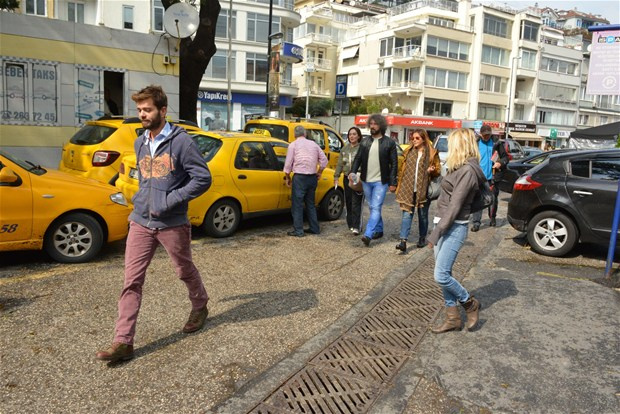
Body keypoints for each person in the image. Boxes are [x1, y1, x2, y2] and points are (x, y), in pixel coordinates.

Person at [96, 85, 212, 363]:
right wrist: (141, 198)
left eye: (147, 110)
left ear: (162, 110)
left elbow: (203, 178)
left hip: (171, 223)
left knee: (184, 269)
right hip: (140, 221)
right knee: (131, 281)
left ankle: (200, 304)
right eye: (139, 110)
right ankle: (123, 341)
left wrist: (170, 200)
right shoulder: (140, 142)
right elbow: (147, 178)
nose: (142, 115)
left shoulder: (182, 143)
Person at [427, 128, 483, 333]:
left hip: (454, 227)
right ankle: (453, 318)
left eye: (451, 144)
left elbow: (454, 207)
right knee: (445, 273)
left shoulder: (468, 171)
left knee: (441, 275)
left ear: (460, 145)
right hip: (442, 223)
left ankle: (469, 303)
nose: (448, 147)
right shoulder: (457, 167)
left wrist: (435, 233)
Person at [350, 114, 398, 247]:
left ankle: (368, 234)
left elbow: (394, 164)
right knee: (373, 207)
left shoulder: (389, 143)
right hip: (366, 181)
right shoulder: (365, 142)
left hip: (381, 182)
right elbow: (358, 158)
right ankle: (379, 229)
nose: (372, 126)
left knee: (376, 207)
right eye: (370, 124)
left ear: (381, 125)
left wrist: (393, 182)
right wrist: (352, 172)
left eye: (375, 124)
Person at [394, 128, 440, 252]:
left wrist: (433, 170)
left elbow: (438, 170)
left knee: (423, 215)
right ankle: (403, 241)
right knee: (406, 214)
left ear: (424, 138)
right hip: (408, 188)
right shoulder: (408, 151)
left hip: (423, 189)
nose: (414, 140)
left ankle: (422, 237)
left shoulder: (431, 153)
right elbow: (401, 169)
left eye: (417, 138)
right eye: (413, 138)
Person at [283, 125, 328, 237]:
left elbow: (288, 164)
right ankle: (314, 228)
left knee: (297, 205)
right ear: (305, 134)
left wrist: (287, 177)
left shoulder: (293, 145)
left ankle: (298, 230)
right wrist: (319, 172)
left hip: (300, 178)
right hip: (312, 177)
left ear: (294, 134)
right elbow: (324, 160)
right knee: (310, 204)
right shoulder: (314, 144)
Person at [471, 124, 509, 232]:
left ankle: (492, 218)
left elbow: (506, 157)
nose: (486, 137)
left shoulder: (497, 143)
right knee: (477, 199)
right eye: (485, 135)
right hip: (479, 176)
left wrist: (500, 163)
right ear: (481, 134)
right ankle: (476, 222)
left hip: (493, 176)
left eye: (488, 135)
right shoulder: (476, 144)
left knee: (493, 199)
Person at [334, 127, 364, 235]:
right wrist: (336, 176)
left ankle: (357, 226)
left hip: (358, 178)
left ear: (359, 136)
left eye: (354, 134)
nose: (352, 136)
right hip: (346, 178)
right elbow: (339, 164)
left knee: (356, 202)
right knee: (349, 201)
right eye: (350, 134)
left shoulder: (362, 148)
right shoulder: (344, 149)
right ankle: (350, 223)